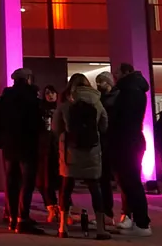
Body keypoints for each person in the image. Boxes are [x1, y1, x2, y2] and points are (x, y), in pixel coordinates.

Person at [53, 73, 110, 240]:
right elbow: (104, 125)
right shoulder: (97, 102)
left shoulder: (65, 103)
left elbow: (56, 128)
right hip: (91, 151)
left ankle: (63, 227)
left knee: (66, 187)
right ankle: (100, 229)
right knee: (95, 188)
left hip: (70, 151)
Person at [0, 67, 44, 234]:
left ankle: (12, 217)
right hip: (28, 145)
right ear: (28, 79)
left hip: (9, 146)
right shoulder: (32, 98)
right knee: (27, 182)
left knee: (12, 181)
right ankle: (22, 217)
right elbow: (38, 124)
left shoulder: (4, 99)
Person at [108, 63, 152, 236]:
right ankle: (138, 221)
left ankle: (141, 223)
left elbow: (121, 118)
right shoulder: (136, 90)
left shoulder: (127, 92)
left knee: (131, 182)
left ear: (126, 73)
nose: (115, 76)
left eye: (117, 73)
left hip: (126, 141)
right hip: (132, 139)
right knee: (130, 181)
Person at [95, 71, 118, 223]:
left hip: (110, 141)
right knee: (103, 179)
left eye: (101, 81)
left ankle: (109, 213)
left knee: (108, 178)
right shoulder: (101, 98)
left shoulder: (115, 98)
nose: (99, 85)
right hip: (103, 141)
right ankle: (106, 213)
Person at [37, 85, 61, 222]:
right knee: (44, 180)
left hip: (59, 147)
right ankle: (51, 207)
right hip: (45, 148)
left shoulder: (61, 109)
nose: (50, 95)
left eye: (52, 92)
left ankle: (64, 208)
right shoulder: (41, 110)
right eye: (47, 93)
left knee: (62, 179)